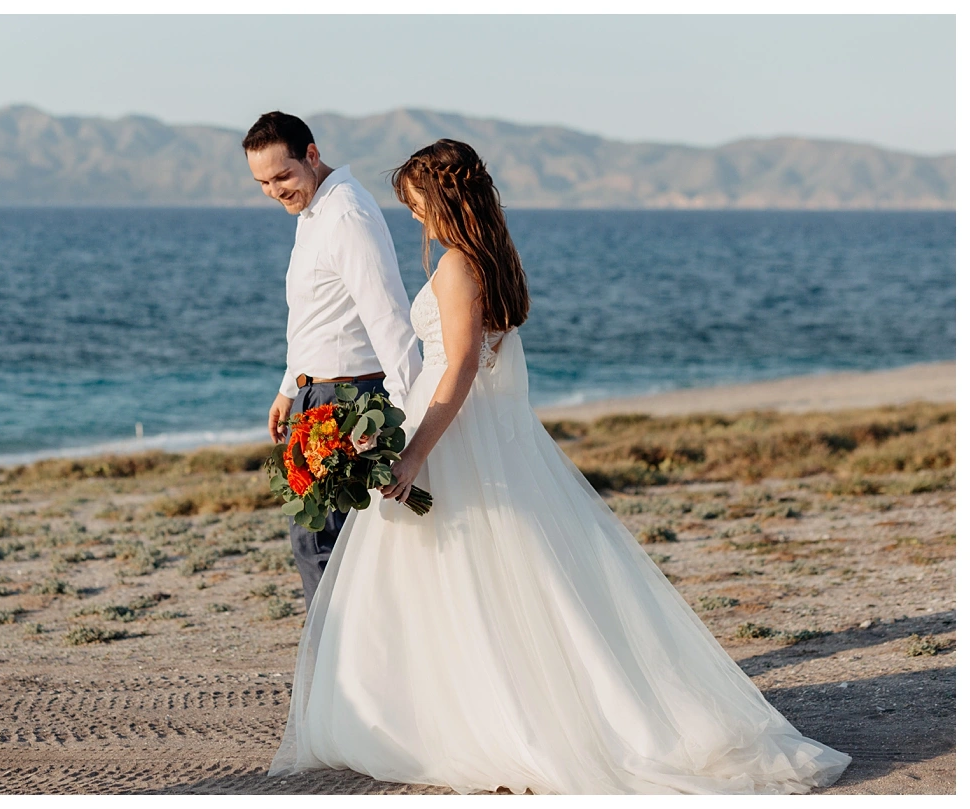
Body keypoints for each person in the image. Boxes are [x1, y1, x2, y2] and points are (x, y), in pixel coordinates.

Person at [267, 139, 852, 794]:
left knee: (467, 582)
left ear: (444, 198)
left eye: (415, 203)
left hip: (452, 439)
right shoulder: (489, 258)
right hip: (474, 437)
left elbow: (457, 370)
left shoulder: (459, 267)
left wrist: (413, 454)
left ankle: (468, 719)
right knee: (481, 583)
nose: (412, 217)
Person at [242, 112, 422, 609]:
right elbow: (315, 316)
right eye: (262, 182)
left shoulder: (346, 215)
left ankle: (337, 668)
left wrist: (417, 425)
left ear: (312, 156)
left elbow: (389, 319)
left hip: (348, 402)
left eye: (283, 175)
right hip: (314, 394)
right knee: (324, 541)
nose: (275, 190)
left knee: (322, 542)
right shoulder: (313, 212)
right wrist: (288, 387)